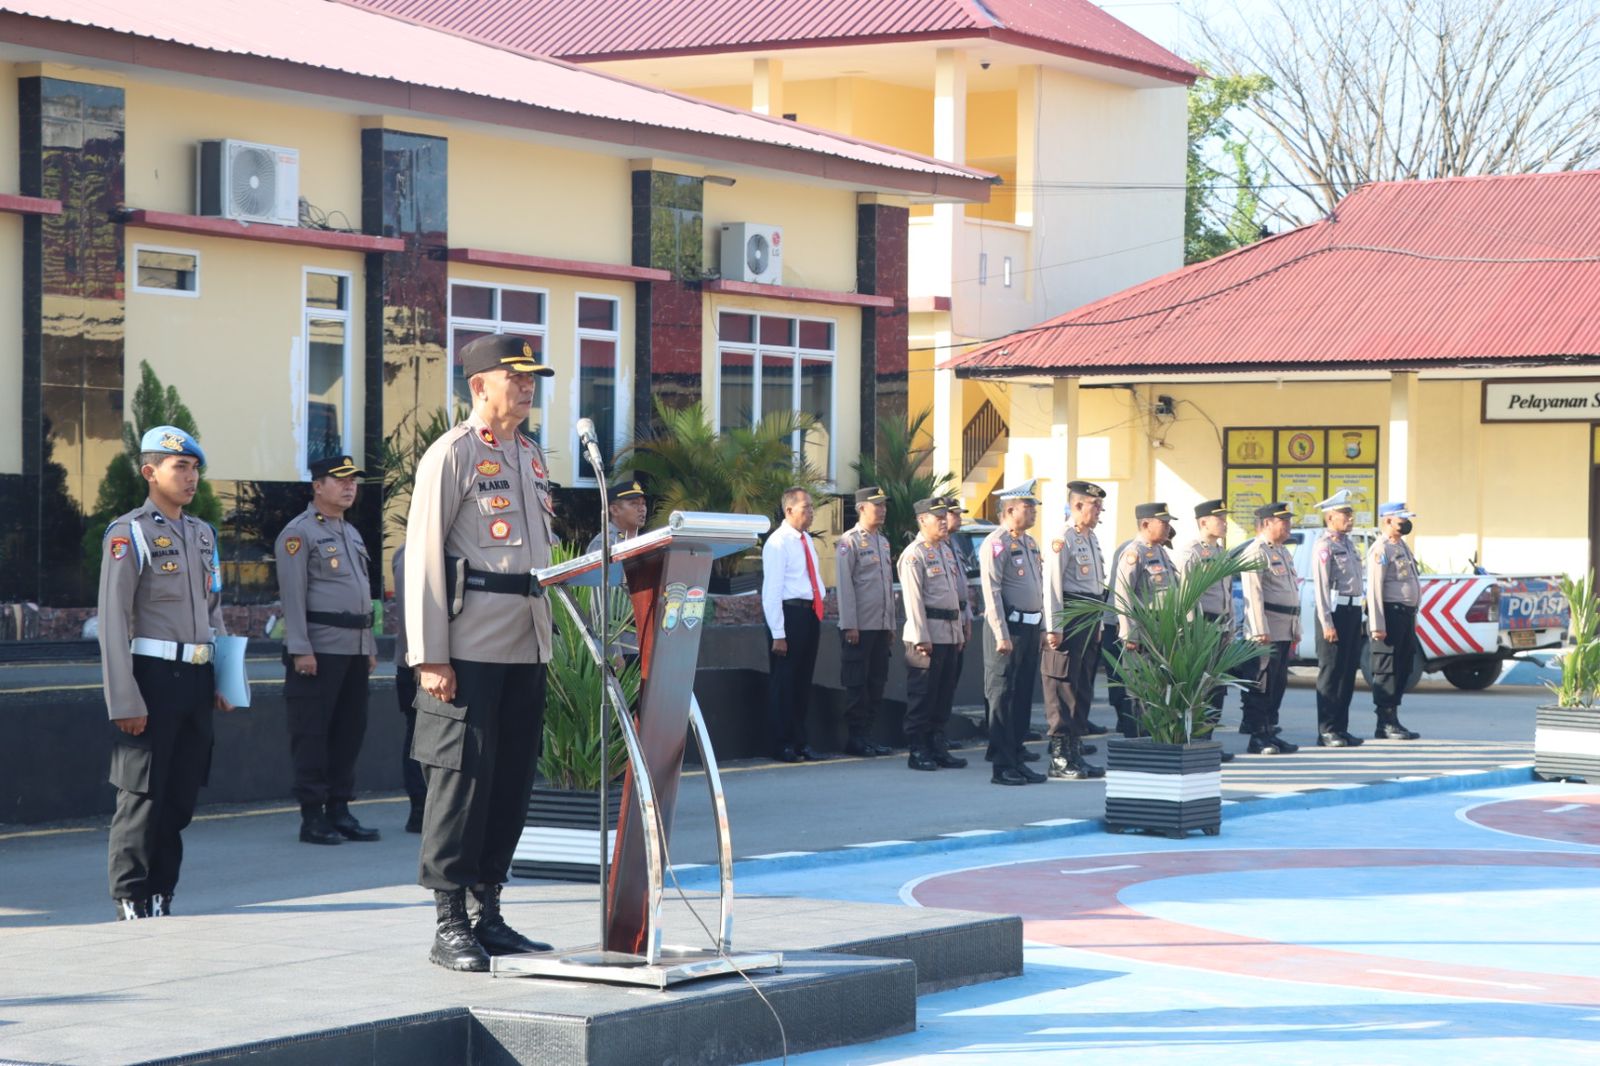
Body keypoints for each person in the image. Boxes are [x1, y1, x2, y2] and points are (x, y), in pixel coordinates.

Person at [404, 333, 558, 972]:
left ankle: (487, 911)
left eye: (532, 379)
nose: (526, 388)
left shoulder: (530, 454)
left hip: (527, 640)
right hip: (466, 647)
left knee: (511, 782)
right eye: (514, 378)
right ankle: (448, 922)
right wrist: (429, 655)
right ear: (479, 386)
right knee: (460, 784)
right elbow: (423, 556)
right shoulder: (453, 454)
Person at [98, 425, 236, 921]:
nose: (191, 476)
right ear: (150, 472)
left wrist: (226, 678)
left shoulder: (202, 534)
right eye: (181, 466)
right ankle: (131, 896)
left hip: (196, 680)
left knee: (178, 797)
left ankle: (162, 891)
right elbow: (113, 622)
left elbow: (215, 609)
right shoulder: (129, 532)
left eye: (196, 467)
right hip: (151, 677)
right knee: (142, 796)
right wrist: (125, 699)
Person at [274, 454, 381, 846]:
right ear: (317, 485)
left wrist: (367, 646)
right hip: (318, 650)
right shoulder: (298, 533)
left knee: (349, 732)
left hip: (352, 649)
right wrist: (300, 648)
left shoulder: (350, 533)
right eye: (340, 480)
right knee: (313, 734)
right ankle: (312, 816)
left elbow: (362, 598)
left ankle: (340, 809)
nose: (349, 486)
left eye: (353, 480)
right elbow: (293, 596)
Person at [979, 482, 1047, 786]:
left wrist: (1044, 626)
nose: (1033, 512)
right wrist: (1000, 633)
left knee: (1021, 696)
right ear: (1009, 510)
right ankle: (1001, 764)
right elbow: (991, 591)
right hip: (1008, 628)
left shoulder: (1030, 543)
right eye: (1028, 507)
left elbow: (1038, 588)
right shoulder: (996, 543)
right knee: (1002, 696)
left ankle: (1017, 755)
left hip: (1031, 627)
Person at [1043, 480, 1108, 780]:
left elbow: (1096, 587)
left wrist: (1097, 624)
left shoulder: (1091, 538)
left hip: (1089, 616)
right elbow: (1053, 585)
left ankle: (1075, 751)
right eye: (1095, 506)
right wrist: (1054, 627)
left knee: (1081, 686)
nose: (1099, 511)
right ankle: (1059, 756)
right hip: (1069, 616)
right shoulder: (1063, 538)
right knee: (1063, 685)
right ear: (1078, 505)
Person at [898, 498, 969, 772]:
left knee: (943, 695)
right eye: (936, 516)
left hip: (949, 632)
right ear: (921, 520)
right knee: (922, 696)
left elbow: (954, 595)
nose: (943, 520)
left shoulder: (945, 551)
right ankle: (918, 749)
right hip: (927, 634)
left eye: (944, 516)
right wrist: (920, 637)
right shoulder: (914, 554)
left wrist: (961, 629)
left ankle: (937, 745)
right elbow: (913, 601)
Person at [761, 486, 826, 762]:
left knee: (802, 682)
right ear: (789, 510)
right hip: (789, 615)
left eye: (811, 507)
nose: (811, 512)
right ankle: (782, 743)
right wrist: (778, 632)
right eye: (806, 508)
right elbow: (772, 590)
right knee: (784, 682)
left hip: (809, 613)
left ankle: (801, 740)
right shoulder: (778, 542)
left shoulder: (805, 539)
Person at [835, 486, 897, 757]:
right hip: (859, 627)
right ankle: (856, 738)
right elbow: (845, 586)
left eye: (884, 505)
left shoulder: (882, 542)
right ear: (861, 508)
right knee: (857, 685)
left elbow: (886, 586)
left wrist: (891, 625)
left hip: (880, 626)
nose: (882, 510)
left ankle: (869, 736)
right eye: (877, 505)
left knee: (876, 683)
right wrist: (850, 624)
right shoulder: (849, 542)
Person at [1239, 501, 1302, 754]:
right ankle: (1257, 736)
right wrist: (1258, 629)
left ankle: (1269, 731)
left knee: (1277, 684)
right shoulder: (1256, 551)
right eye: (1282, 521)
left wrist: (1295, 628)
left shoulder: (1282, 551)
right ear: (1266, 523)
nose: (1288, 526)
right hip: (1266, 629)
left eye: (1288, 521)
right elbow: (1253, 594)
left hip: (1283, 628)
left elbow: (1291, 591)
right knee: (1261, 683)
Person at [1112, 503, 1180, 738]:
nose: (1168, 527)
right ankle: (1136, 740)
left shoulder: (1160, 551)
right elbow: (1122, 594)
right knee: (1139, 688)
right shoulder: (1134, 553)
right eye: (1164, 522)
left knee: (1157, 686)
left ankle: (1152, 736)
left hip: (1162, 630)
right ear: (1145, 524)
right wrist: (1129, 632)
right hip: (1142, 631)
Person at [1311, 490, 1367, 747]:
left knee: (1347, 671)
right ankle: (1327, 730)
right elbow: (1322, 588)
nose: (1350, 518)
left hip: (1352, 611)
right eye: (1345, 513)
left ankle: (1341, 728)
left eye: (1350, 513)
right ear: (1330, 517)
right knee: (1331, 672)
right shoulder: (1325, 546)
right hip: (1334, 613)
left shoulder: (1348, 544)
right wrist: (1327, 623)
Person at [1368, 501, 1423, 740]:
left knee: (1404, 666)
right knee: (1387, 668)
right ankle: (1385, 721)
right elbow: (1375, 589)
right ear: (1388, 520)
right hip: (1390, 614)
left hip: (1406, 615)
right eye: (1402, 520)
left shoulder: (1401, 546)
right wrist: (1377, 624)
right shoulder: (1381, 549)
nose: (1406, 524)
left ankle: (1394, 717)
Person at [1178, 499, 1235, 728]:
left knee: (1217, 684)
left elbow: (1227, 593)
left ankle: (1210, 735)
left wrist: (1230, 625)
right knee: (1201, 685)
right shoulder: (1191, 552)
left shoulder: (1222, 553)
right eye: (1219, 518)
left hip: (1221, 624)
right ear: (1203, 522)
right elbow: (1186, 597)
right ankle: (1198, 736)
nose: (1225, 523)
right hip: (1202, 626)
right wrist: (1192, 631)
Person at [586, 477, 647, 661]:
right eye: (633, 503)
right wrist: (612, 653)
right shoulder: (605, 543)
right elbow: (599, 603)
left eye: (643, 503)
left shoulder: (639, 542)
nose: (642, 508)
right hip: (623, 647)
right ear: (614, 509)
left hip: (641, 643)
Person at [391, 544, 426, 833]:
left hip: (432, 662)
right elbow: (410, 609)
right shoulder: (412, 553)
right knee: (419, 739)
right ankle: (420, 809)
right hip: (419, 664)